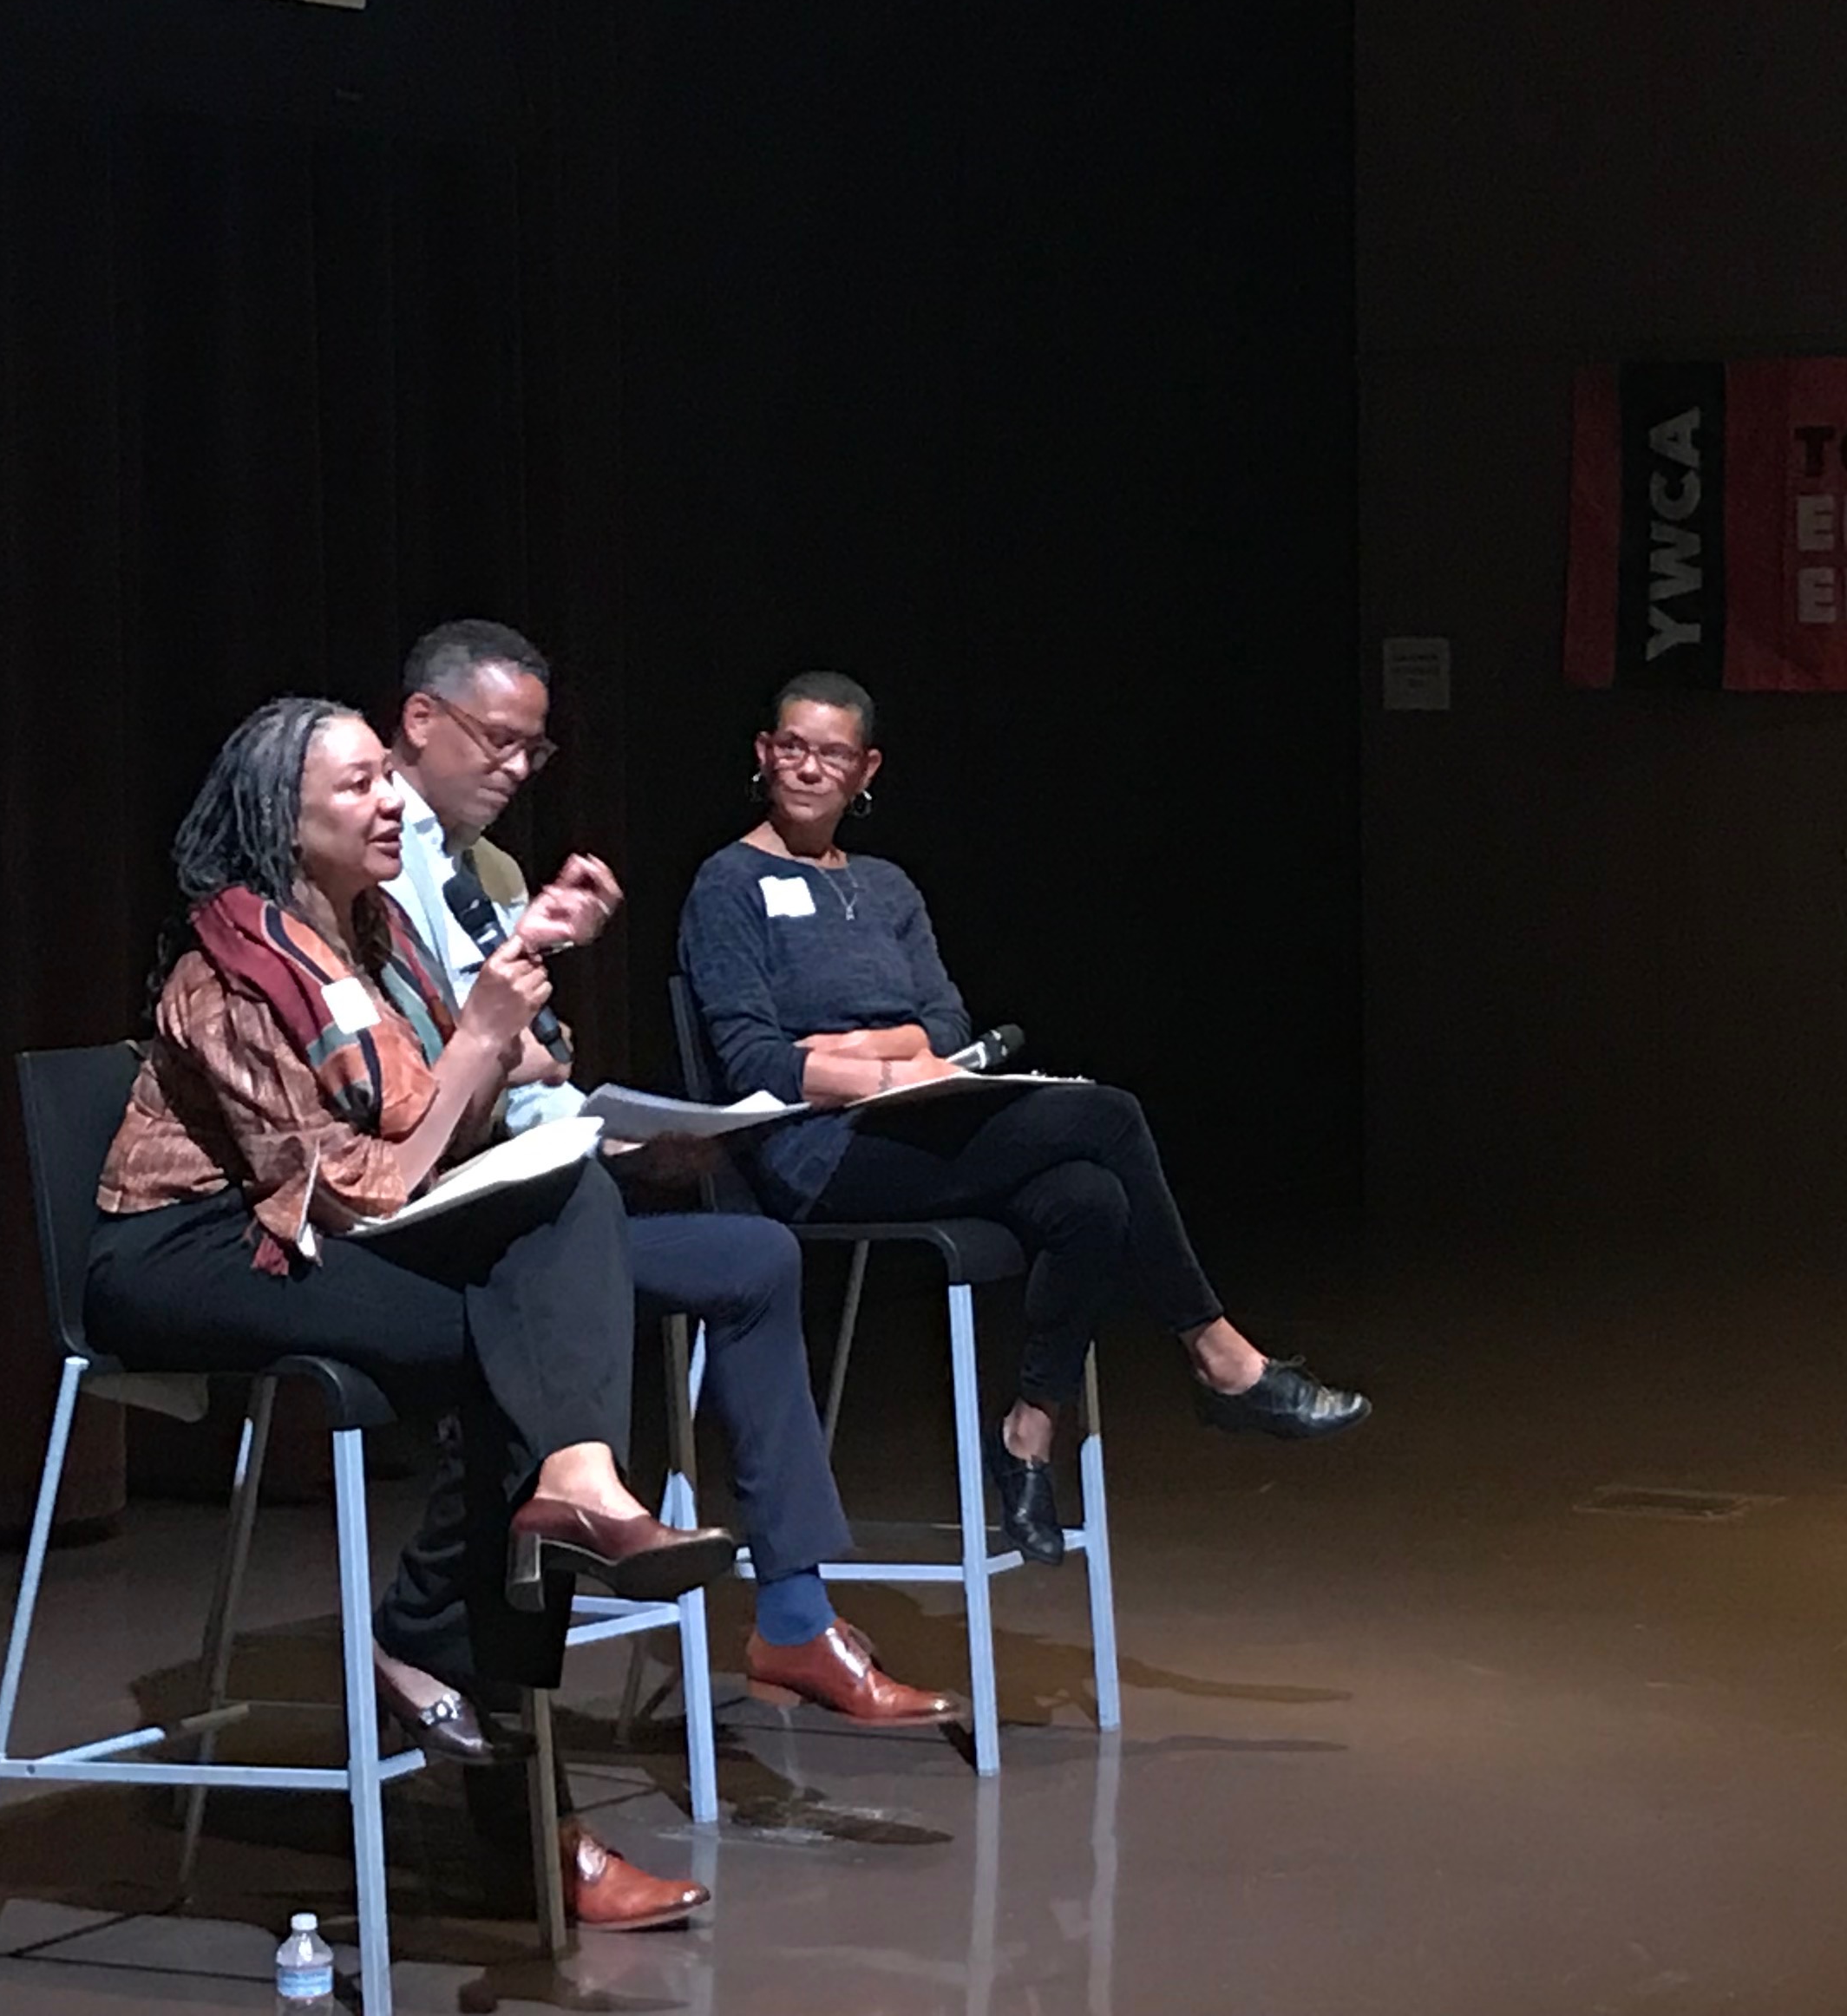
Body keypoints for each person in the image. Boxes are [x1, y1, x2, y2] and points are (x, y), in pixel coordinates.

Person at [87, 695, 724, 1930]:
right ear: (285, 822)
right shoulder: (234, 967)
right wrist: (483, 1040)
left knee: (573, 1201)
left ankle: (568, 1495)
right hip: (186, 1245)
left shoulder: (376, 935)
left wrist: (499, 1020)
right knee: (505, 1352)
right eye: (357, 787)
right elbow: (356, 1187)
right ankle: (513, 1789)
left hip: (317, 1215)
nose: (390, 802)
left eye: (388, 777)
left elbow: (431, 1127)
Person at [373, 621, 960, 1729]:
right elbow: (417, 1064)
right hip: (448, 1202)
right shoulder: (367, 866)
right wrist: (511, 1048)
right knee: (555, 1289)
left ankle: (792, 1615)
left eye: (532, 752)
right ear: (417, 723)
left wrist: (630, 1138)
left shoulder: (492, 870)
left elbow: (536, 1063)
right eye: (499, 741)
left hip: (545, 1183)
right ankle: (522, 1670)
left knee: (751, 1254)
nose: (515, 769)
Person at [676, 671, 1369, 1564]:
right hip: (815, 1156)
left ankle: (1028, 1434)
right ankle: (1220, 1355)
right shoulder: (727, 884)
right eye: (793, 749)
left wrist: (863, 1046)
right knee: (1107, 1117)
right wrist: (890, 1068)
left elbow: (950, 1029)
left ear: (866, 769)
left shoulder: (887, 888)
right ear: (765, 755)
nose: (809, 769)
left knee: (1091, 1200)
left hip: (916, 1124)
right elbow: (757, 1063)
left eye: (833, 753)